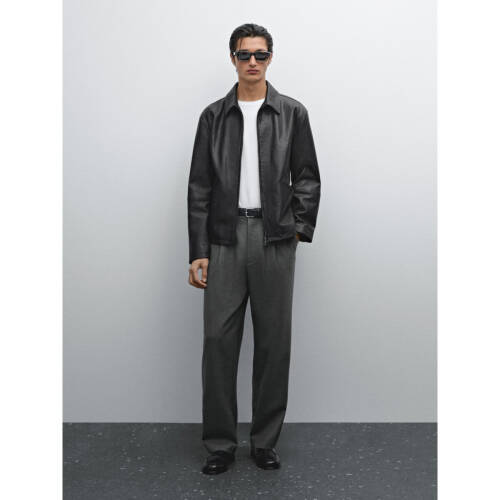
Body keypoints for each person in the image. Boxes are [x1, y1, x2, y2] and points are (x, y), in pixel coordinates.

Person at [187, 23, 321, 475]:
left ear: (270, 59)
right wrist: (199, 249)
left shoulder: (292, 113)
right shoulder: (213, 116)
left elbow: (307, 177)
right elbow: (200, 187)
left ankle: (264, 442)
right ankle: (220, 444)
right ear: (232, 58)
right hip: (224, 238)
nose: (252, 62)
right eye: (244, 54)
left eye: (260, 55)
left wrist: (297, 230)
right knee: (217, 342)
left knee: (273, 343)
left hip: (274, 238)